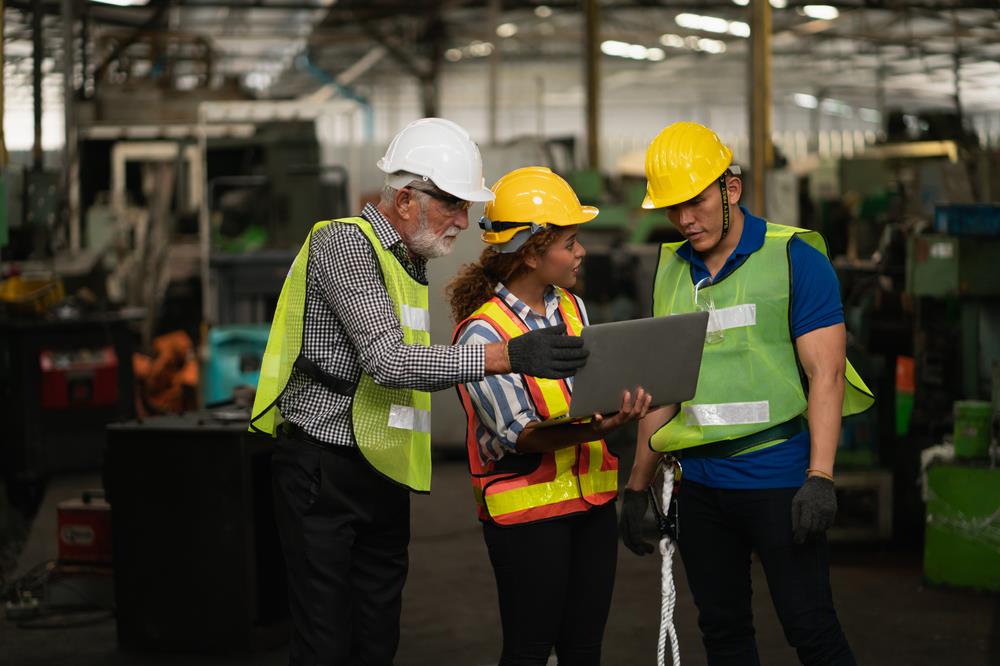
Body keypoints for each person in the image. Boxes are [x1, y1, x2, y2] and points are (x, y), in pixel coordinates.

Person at [249, 120, 590, 666]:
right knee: (326, 642)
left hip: (380, 469)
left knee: (377, 640)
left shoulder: (408, 259)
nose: (463, 221)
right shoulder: (344, 245)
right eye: (453, 205)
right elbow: (387, 360)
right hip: (323, 471)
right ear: (406, 199)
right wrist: (510, 354)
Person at [618, 122, 874, 666]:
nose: (686, 220)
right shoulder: (672, 271)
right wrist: (637, 484)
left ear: (731, 190)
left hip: (778, 479)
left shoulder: (794, 256)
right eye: (673, 209)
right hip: (700, 489)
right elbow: (664, 388)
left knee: (812, 631)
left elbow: (824, 374)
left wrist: (821, 478)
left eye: (697, 202)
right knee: (724, 633)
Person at [448, 166, 653, 666]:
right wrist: (594, 428)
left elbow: (586, 392)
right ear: (533, 251)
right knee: (529, 651)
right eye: (571, 241)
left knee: (584, 651)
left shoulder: (574, 310)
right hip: (527, 520)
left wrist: (615, 405)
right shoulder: (483, 335)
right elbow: (518, 435)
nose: (581, 252)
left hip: (591, 508)